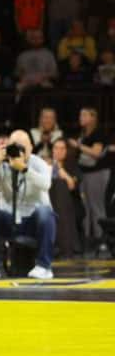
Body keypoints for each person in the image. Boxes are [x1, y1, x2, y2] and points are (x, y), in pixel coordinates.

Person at [0, 130, 56, 279]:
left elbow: (46, 184)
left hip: (32, 221)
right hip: (8, 220)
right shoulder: (1, 165)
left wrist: (24, 169)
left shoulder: (39, 164)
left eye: (23, 147)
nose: (19, 151)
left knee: (46, 212)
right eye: (15, 147)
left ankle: (44, 266)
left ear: (31, 148)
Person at [68, 107, 109, 250]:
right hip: (84, 173)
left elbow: (96, 153)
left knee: (97, 206)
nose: (81, 117)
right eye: (80, 115)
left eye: (84, 115)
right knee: (86, 207)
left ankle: (103, 239)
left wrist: (78, 145)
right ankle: (87, 239)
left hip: (97, 173)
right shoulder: (83, 134)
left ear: (93, 118)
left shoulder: (99, 133)